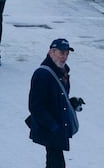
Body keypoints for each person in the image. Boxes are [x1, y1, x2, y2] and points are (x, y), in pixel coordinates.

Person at [28, 38, 81, 168]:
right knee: (56, 162)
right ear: (51, 52)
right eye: (61, 53)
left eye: (67, 53)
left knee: (54, 161)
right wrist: (53, 126)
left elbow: (59, 96)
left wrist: (71, 103)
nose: (65, 57)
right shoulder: (42, 75)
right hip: (51, 127)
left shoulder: (63, 72)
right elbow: (35, 106)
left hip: (58, 126)